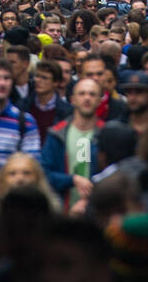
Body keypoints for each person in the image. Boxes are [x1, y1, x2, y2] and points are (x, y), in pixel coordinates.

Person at [41, 77, 102, 209]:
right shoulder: (57, 133)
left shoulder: (106, 134)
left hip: (97, 212)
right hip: (62, 211)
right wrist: (72, 180)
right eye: (82, 93)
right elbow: (44, 173)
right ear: (72, 99)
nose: (87, 98)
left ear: (99, 101)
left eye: (92, 94)